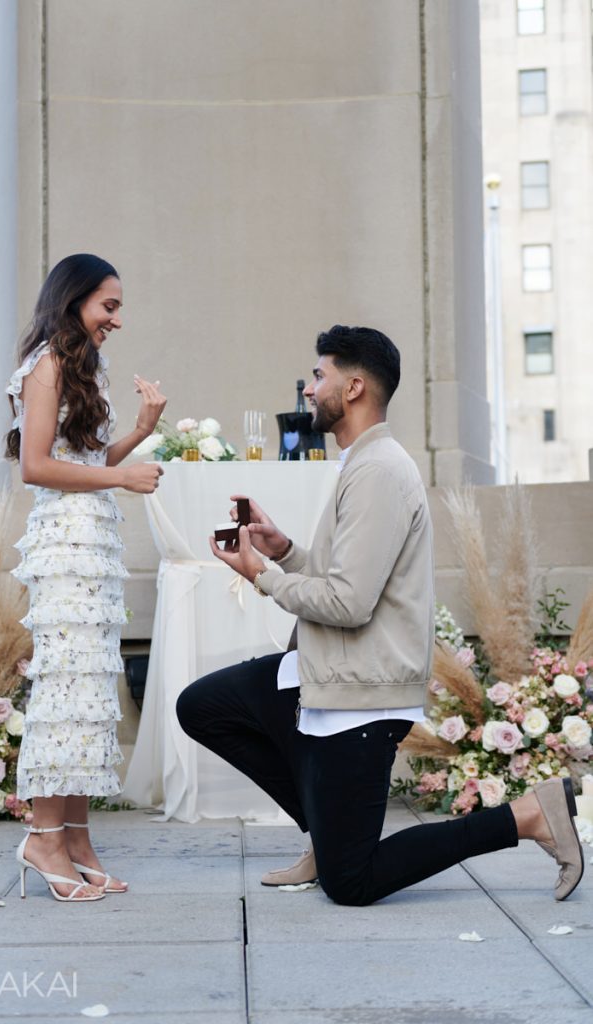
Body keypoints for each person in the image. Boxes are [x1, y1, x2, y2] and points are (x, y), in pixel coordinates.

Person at [176, 325, 583, 906]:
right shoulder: (364, 464)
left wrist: (261, 577)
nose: (311, 390)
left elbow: (349, 602)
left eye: (320, 377)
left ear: (356, 386)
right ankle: (325, 828)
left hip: (360, 695)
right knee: (204, 706)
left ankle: (525, 817)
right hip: (324, 671)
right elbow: (352, 574)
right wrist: (283, 550)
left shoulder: (379, 472)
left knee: (353, 883)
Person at [6, 253, 166, 902]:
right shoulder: (45, 364)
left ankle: (74, 835)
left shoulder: (81, 367)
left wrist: (137, 435)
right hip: (64, 546)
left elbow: (87, 459)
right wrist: (122, 476)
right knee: (64, 694)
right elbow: (37, 467)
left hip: (92, 543)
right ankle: (42, 836)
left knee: (88, 693)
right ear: (73, 301)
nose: (116, 320)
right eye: (109, 305)